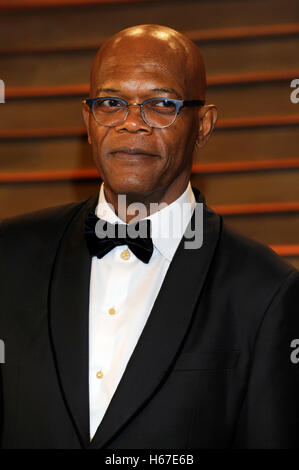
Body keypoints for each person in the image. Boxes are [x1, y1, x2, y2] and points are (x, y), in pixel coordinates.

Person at [0, 24, 299, 450]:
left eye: (161, 104)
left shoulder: (266, 291)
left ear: (204, 126)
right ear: (88, 121)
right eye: (111, 102)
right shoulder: (8, 257)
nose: (132, 123)